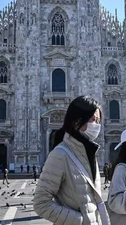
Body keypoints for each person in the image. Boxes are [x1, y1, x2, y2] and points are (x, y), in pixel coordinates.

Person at [34, 96, 109, 224]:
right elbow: (41, 204)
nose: (97, 126)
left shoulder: (89, 153)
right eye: (93, 120)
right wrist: (80, 221)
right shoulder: (59, 154)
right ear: (77, 121)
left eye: (98, 121)